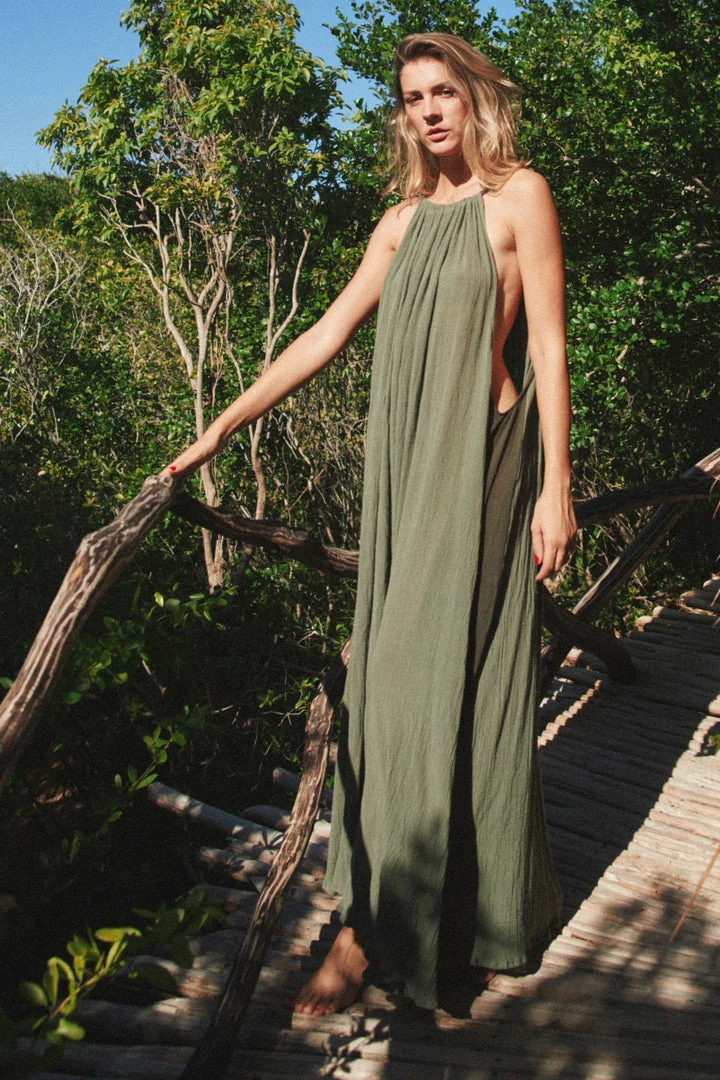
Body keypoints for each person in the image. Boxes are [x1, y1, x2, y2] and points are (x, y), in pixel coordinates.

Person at [162, 32, 577, 1016]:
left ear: (475, 97)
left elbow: (550, 346)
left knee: (450, 687)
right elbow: (327, 331)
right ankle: (399, 923)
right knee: (391, 689)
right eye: (412, 97)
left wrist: (557, 487)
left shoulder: (520, 196)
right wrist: (224, 423)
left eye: (443, 91)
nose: (428, 110)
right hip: (405, 478)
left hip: (484, 467)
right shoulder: (399, 224)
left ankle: (406, 930)